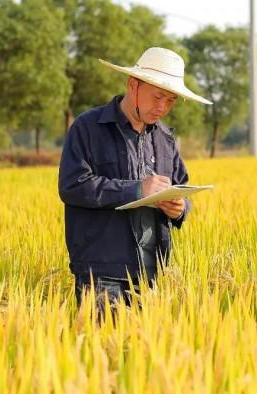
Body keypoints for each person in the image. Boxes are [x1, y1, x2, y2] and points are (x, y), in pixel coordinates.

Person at [58, 47, 212, 314]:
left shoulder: (165, 139)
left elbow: (182, 188)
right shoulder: (88, 128)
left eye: (171, 100)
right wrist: (138, 189)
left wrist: (179, 209)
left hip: (151, 272)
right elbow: (73, 186)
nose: (162, 107)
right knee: (102, 349)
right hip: (101, 272)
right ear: (133, 85)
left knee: (142, 353)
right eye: (158, 97)